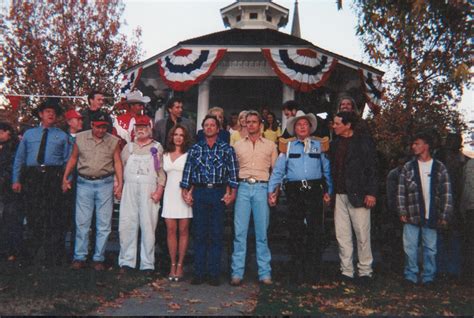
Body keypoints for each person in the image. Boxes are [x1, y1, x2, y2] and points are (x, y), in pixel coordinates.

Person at [268, 110, 333, 284]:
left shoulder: (319, 146)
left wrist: (329, 191)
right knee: (295, 231)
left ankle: (313, 273)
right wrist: (271, 191)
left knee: (315, 232)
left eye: (305, 124)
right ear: (294, 128)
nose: (302, 127)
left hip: (314, 191)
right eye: (299, 124)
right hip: (294, 192)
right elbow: (278, 172)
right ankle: (296, 273)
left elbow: (326, 171)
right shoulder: (287, 147)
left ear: (310, 128)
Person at [180, 114, 238, 286]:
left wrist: (232, 192)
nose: (210, 127)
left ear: (218, 129)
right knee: (199, 234)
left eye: (213, 125)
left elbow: (233, 173)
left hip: (218, 193)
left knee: (216, 234)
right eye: (206, 125)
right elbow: (188, 172)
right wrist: (186, 191)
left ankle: (213, 273)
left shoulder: (227, 149)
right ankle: (199, 273)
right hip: (200, 192)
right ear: (203, 128)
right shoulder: (195, 149)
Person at [12, 98, 70, 266]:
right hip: (33, 177)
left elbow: (68, 161)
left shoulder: (62, 135)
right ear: (41, 115)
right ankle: (30, 254)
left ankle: (52, 256)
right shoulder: (30, 134)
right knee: (33, 214)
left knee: (52, 215)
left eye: (53, 112)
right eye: (47, 112)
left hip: (53, 177)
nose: (51, 114)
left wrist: (66, 180)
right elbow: (19, 158)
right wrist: (16, 179)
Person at [62, 112, 123, 271]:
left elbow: (117, 162)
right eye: (98, 127)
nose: (101, 130)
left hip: (105, 183)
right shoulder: (80, 138)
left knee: (104, 224)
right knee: (82, 222)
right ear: (92, 125)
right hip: (84, 183)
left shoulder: (113, 141)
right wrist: (65, 177)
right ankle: (79, 257)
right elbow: (73, 158)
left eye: (104, 127)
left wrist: (120, 184)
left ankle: (98, 258)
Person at [396, 131, 453, 286]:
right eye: (413, 144)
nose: (414, 146)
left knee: (430, 248)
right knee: (410, 247)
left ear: (426, 146)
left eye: (417, 143)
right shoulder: (408, 167)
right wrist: (402, 211)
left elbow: (446, 192)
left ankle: (429, 276)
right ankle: (411, 275)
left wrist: (445, 215)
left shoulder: (439, 167)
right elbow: (401, 191)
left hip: (432, 214)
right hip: (412, 214)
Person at [230, 110, 278, 286]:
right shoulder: (237, 146)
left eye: (254, 122)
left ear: (260, 125)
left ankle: (264, 273)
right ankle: (237, 273)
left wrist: (274, 192)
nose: (250, 124)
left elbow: (276, 172)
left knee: (262, 233)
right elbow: (232, 171)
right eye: (248, 122)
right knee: (240, 232)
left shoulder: (271, 145)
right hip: (242, 187)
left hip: (261, 187)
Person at [330, 111, 377, 284]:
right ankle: (346, 271)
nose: (334, 126)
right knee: (342, 235)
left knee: (362, 234)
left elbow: (372, 168)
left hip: (359, 195)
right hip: (339, 195)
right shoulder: (335, 144)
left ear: (348, 125)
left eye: (337, 123)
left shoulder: (363, 142)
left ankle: (365, 271)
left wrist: (371, 192)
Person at [118, 116, 165, 272]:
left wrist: (159, 190)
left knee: (148, 225)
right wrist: (118, 186)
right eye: (138, 126)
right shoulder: (128, 148)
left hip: (149, 190)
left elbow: (161, 172)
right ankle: (127, 261)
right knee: (127, 224)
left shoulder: (157, 147)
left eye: (144, 126)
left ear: (150, 128)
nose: (140, 129)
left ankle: (147, 264)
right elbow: (120, 169)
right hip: (129, 189)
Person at [162, 124, 193, 281]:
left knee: (183, 230)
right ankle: (172, 264)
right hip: (169, 195)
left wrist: (190, 193)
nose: (178, 137)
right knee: (171, 230)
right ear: (171, 136)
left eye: (181, 135)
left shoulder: (189, 155)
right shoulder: (165, 154)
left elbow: (194, 176)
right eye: (176, 134)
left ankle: (180, 265)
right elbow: (160, 175)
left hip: (184, 195)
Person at [436, 133, 467, 281]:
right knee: (443, 235)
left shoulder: (461, 159)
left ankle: (451, 270)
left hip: (456, 201)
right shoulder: (443, 157)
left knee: (452, 236)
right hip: (445, 200)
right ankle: (444, 269)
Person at [0, 122, 22, 261]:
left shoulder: (15, 147)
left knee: (10, 219)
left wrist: (3, 178)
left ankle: (11, 250)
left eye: (2, 132)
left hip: (8, 188)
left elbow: (14, 166)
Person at [63, 109, 84, 256]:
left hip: (81, 179)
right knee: (64, 215)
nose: (80, 122)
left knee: (80, 216)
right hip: (66, 179)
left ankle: (76, 251)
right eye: (77, 119)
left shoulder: (84, 138)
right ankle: (61, 248)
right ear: (69, 122)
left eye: (81, 119)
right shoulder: (63, 138)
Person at [460, 154, 474, 284]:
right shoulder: (469, 165)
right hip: (471, 209)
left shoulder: (469, 165)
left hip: (470, 208)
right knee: (470, 243)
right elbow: (466, 188)